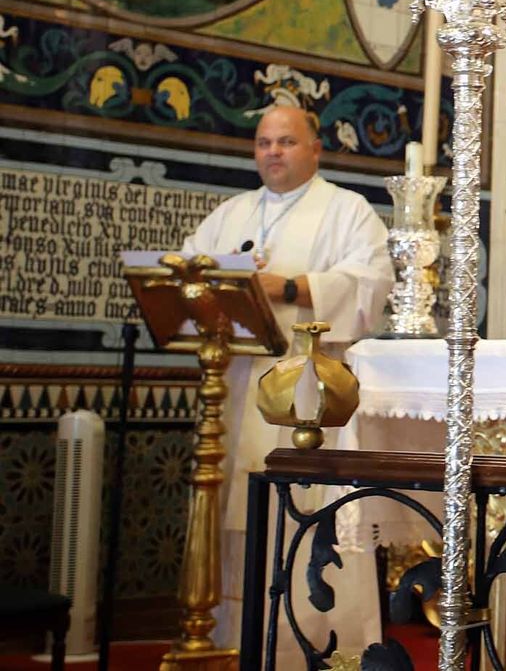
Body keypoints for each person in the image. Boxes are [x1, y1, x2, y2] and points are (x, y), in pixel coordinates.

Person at [181, 105, 393, 660]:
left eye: (286, 142)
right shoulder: (231, 214)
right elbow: (187, 272)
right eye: (263, 143)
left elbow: (372, 284)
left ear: (315, 149)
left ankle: (318, 649)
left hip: (308, 395)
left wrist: (294, 288)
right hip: (232, 387)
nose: (272, 152)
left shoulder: (347, 211)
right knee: (237, 512)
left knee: (306, 510)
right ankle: (230, 643)